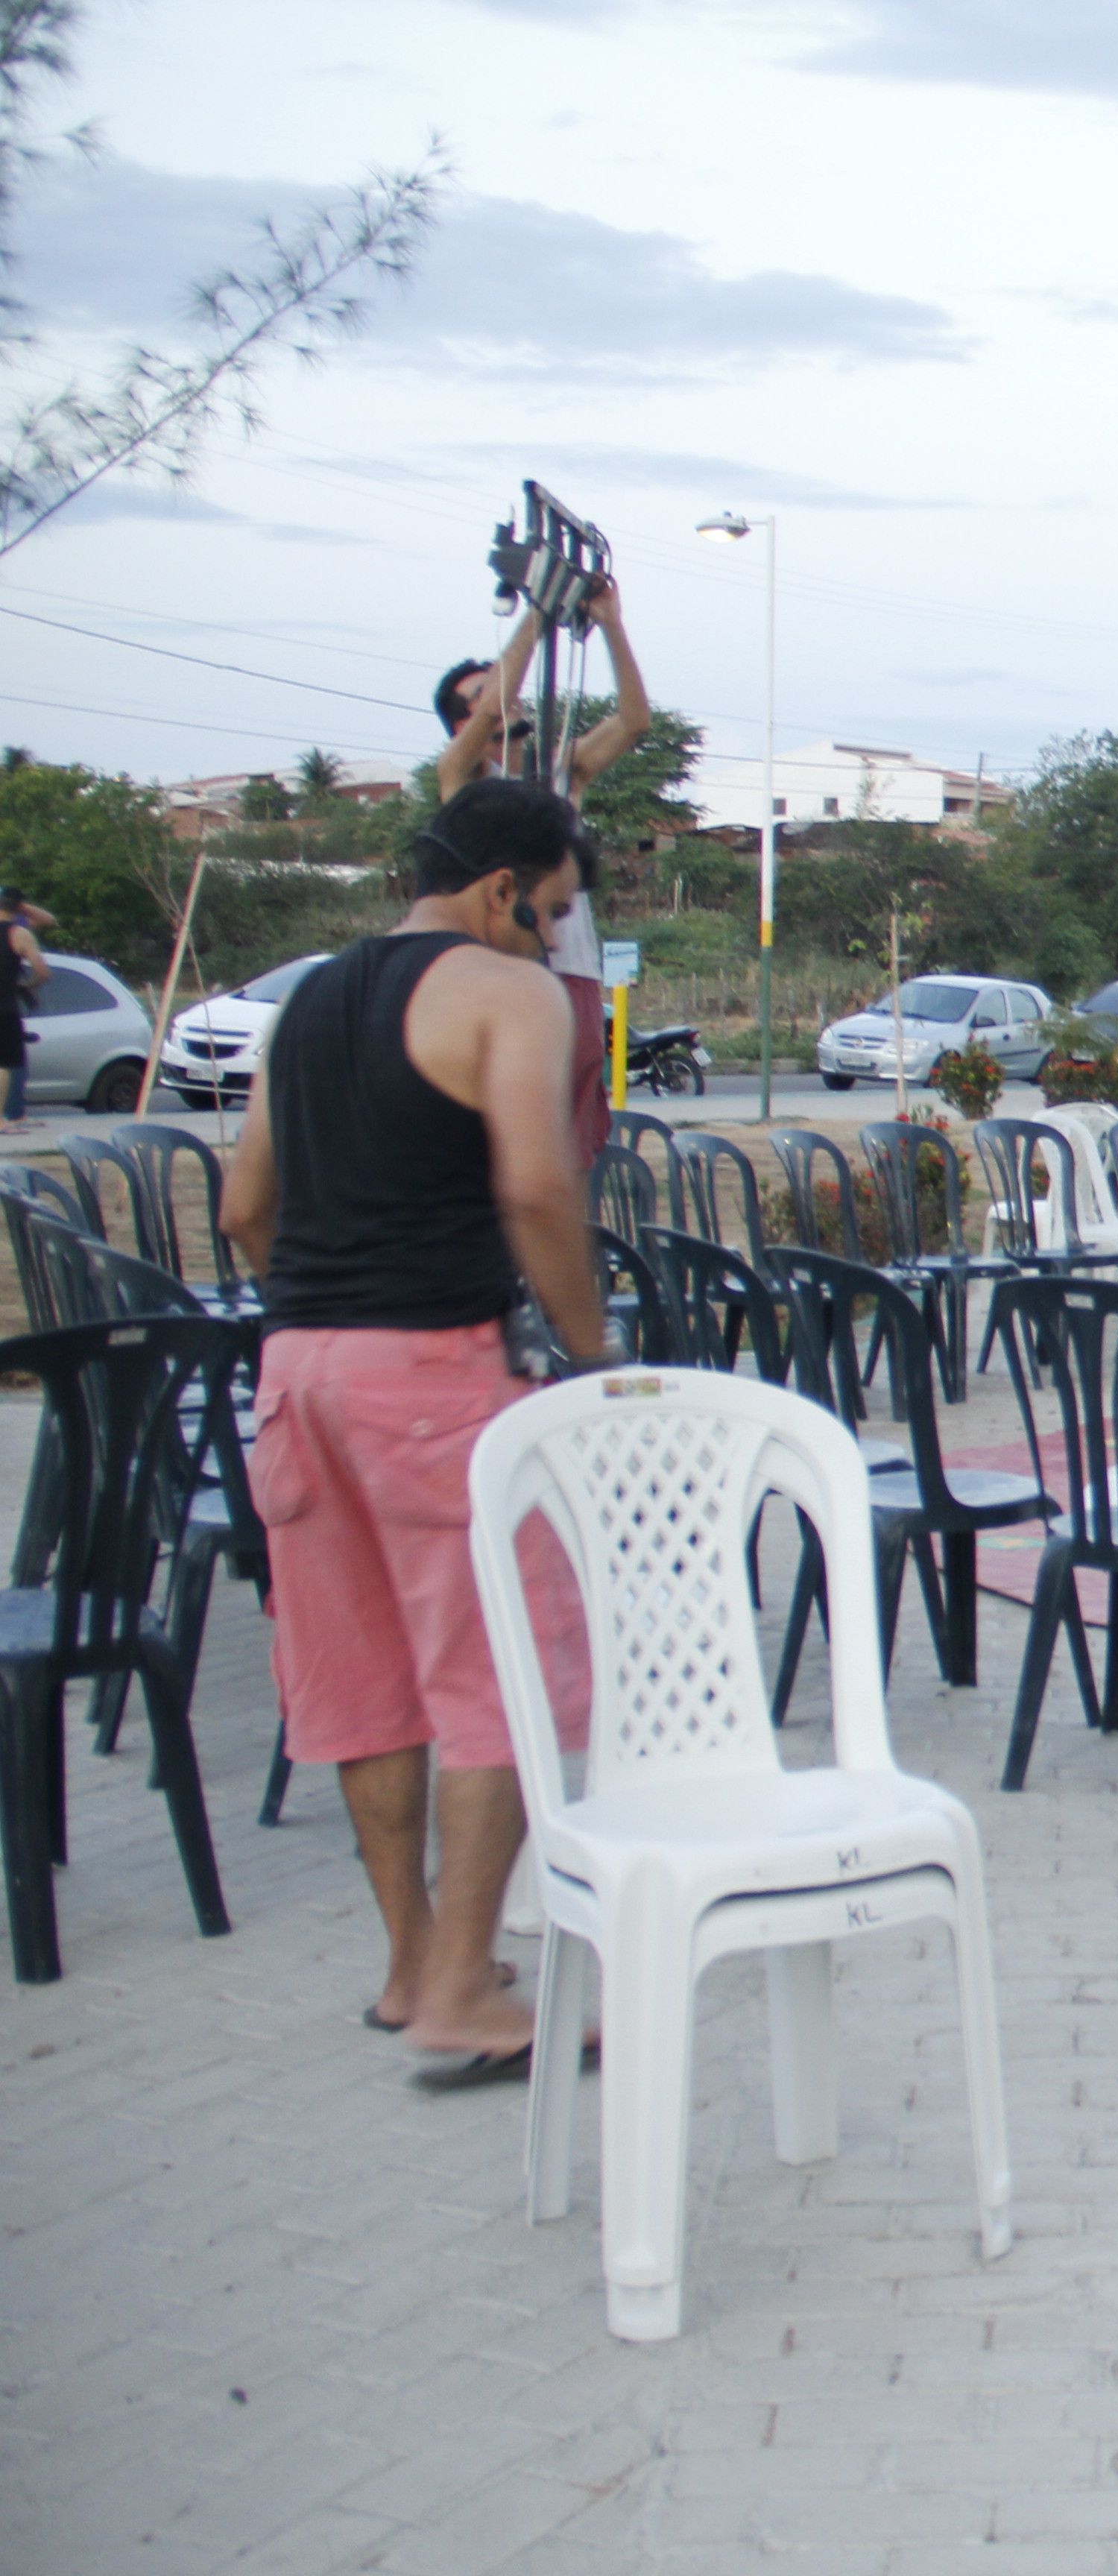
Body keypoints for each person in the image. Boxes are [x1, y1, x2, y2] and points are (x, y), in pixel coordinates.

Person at [219, 777, 608, 2084]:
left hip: (298, 1372)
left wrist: (326, 1315)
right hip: (436, 1372)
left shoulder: (309, 1002)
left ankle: (409, 1967)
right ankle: (459, 1997)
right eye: (555, 912)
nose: (555, 942)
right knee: (503, 1672)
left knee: (362, 1684)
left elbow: (245, 1208)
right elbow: (536, 1191)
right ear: (503, 890)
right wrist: (595, 1360)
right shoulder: (503, 994)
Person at [438, 575, 654, 1165]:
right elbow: (491, 710)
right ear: (462, 723)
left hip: (574, 972)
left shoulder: (557, 772)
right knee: (511, 1140)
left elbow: (634, 721)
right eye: (486, 692)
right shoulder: (462, 779)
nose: (508, 696)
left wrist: (610, 624)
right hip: (506, 972)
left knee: (574, 1144)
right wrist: (538, 612)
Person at [0, 883, 41, 1133]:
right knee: (5, 1064)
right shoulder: (19, 933)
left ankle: (14, 1116)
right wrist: (26, 986)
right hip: (5, 1007)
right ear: (19, 907)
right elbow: (43, 972)